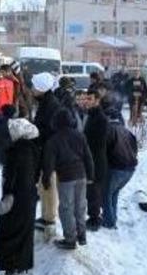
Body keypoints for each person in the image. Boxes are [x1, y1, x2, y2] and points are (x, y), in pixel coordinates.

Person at [0, 118, 40, 275]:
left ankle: (11, 267)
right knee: (25, 231)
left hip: (15, 197)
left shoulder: (15, 151)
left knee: (9, 230)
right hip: (29, 196)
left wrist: (7, 194)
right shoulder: (33, 149)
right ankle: (23, 264)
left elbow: (11, 177)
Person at [43, 109, 95, 250]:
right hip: (82, 175)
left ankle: (70, 239)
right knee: (80, 206)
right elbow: (88, 157)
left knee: (66, 208)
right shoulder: (80, 136)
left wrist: (46, 179)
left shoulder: (53, 140)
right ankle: (82, 235)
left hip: (66, 177)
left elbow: (49, 163)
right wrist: (91, 174)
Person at [31, 72, 61, 240]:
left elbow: (48, 131)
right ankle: (45, 216)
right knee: (43, 187)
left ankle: (49, 219)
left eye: (35, 86)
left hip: (50, 153)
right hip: (45, 150)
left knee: (48, 185)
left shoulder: (51, 105)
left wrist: (35, 132)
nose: (32, 89)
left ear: (42, 89)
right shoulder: (46, 102)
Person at [101, 106, 138, 230]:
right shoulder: (127, 131)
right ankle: (112, 217)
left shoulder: (107, 130)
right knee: (114, 192)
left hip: (116, 168)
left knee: (106, 194)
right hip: (130, 169)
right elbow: (135, 149)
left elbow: (103, 151)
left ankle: (109, 222)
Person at [83, 90, 109, 232]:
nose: (86, 101)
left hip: (96, 160)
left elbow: (98, 143)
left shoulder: (100, 118)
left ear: (97, 100)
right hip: (89, 158)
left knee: (94, 191)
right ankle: (92, 216)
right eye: (86, 98)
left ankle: (95, 218)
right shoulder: (91, 115)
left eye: (90, 98)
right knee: (90, 190)